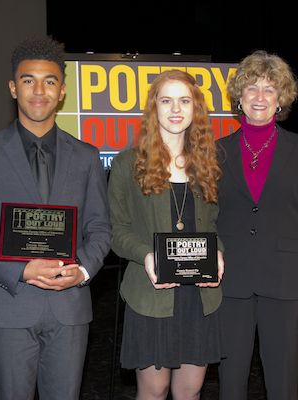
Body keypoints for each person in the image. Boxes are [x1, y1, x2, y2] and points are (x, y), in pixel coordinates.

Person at [0, 36, 111, 400]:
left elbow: (100, 228)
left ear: (62, 92)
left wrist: (83, 270)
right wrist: (22, 269)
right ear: (13, 88)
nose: (38, 90)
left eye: (50, 81)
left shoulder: (87, 157)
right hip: (8, 307)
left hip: (69, 307)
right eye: (28, 80)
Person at [108, 69, 224, 400]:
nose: (176, 109)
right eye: (167, 100)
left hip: (199, 298)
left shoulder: (210, 163)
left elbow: (215, 225)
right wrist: (146, 255)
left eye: (184, 100)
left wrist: (217, 253)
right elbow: (117, 230)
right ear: (153, 107)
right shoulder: (127, 165)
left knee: (190, 392)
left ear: (195, 108)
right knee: (154, 391)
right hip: (151, 295)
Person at [217, 50, 298, 400]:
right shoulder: (216, 151)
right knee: (230, 381)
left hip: (285, 279)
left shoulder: (297, 149)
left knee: (283, 382)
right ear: (239, 97)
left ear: (281, 98)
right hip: (229, 279)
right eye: (252, 88)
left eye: (269, 89)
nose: (260, 97)